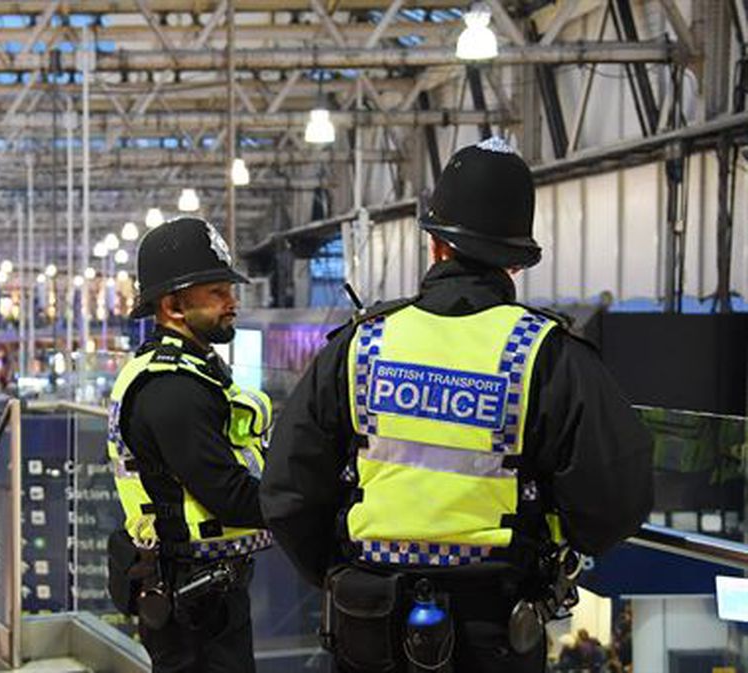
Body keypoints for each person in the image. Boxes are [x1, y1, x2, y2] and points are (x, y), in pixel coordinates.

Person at [260, 138, 655, 673]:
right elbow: (617, 499)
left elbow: (287, 492)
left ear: (434, 245)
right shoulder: (547, 356)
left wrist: (341, 572)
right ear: (515, 263)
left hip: (368, 622)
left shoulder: (360, 347)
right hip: (497, 626)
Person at [105, 217, 273, 673]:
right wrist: (310, 497)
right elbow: (232, 497)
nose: (231, 303)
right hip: (193, 600)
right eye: (217, 293)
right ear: (174, 305)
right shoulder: (172, 389)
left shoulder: (192, 370)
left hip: (206, 589)